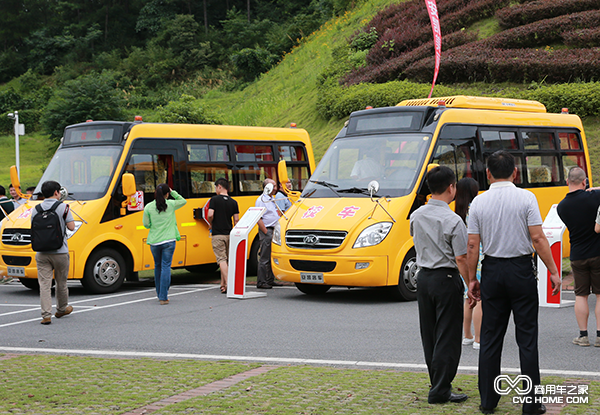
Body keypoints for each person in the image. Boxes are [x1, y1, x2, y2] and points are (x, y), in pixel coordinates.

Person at [467, 150, 560, 415]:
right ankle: (531, 403)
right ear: (515, 172)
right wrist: (553, 270)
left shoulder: (478, 203)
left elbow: (473, 244)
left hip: (493, 270)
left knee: (490, 337)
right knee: (527, 338)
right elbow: (539, 239)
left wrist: (473, 278)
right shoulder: (526, 197)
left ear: (488, 174)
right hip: (521, 269)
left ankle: (488, 400)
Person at [409, 165, 470, 405]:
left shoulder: (416, 215)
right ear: (451, 187)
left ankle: (437, 382)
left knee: (430, 333)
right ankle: (441, 389)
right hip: (446, 278)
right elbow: (461, 257)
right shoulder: (453, 220)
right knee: (448, 335)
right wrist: (470, 282)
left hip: (423, 278)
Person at [558, 167, 600, 348]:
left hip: (577, 255)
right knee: (599, 295)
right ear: (585, 182)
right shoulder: (594, 198)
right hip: (598, 253)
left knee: (581, 295)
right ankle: (599, 335)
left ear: (567, 182)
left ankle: (583, 336)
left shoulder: (561, 207)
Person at [31, 181, 75, 325]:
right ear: (57, 192)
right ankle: (62, 308)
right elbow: (72, 226)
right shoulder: (63, 207)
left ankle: (46, 315)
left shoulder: (36, 209)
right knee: (61, 282)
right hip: (60, 251)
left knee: (44, 284)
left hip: (42, 252)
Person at [142, 183, 187, 305]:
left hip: (155, 241)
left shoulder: (149, 207)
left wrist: (154, 226)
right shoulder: (171, 204)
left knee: (157, 266)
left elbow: (146, 224)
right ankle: (163, 296)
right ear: (167, 194)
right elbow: (183, 201)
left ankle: (159, 294)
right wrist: (173, 192)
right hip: (169, 241)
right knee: (166, 267)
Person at [454, 177, 483, 350]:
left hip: (463, 256)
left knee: (468, 297)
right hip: (478, 257)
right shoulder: (475, 210)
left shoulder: (458, 212)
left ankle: (467, 335)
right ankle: (479, 338)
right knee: (480, 299)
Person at [207, 178, 239, 294]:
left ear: (219, 186)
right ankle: (223, 284)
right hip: (229, 234)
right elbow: (236, 220)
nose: (215, 190)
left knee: (221, 259)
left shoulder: (214, 200)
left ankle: (230, 283)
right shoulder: (233, 202)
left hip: (217, 234)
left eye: (215, 187)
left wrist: (211, 223)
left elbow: (210, 214)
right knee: (226, 260)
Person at [255, 178, 282, 289]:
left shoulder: (271, 199)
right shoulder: (261, 200)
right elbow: (258, 218)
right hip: (267, 229)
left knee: (271, 255)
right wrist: (266, 232)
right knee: (265, 256)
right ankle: (261, 281)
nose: (275, 188)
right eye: (273, 186)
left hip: (274, 229)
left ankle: (270, 279)